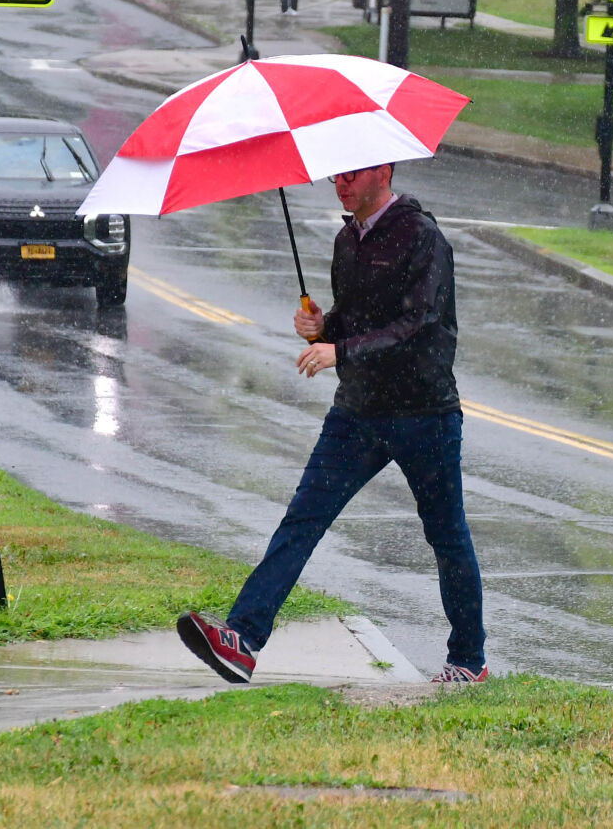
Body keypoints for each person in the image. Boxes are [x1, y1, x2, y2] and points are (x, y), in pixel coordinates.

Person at [178, 163, 486, 685]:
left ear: (383, 172)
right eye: (335, 177)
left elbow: (418, 325)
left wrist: (338, 349)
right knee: (303, 518)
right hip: (358, 412)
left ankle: (468, 661)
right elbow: (358, 319)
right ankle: (243, 639)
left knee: (447, 535)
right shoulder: (348, 241)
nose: (339, 184)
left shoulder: (423, 236)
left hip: (424, 414)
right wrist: (323, 326)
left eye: (351, 174)